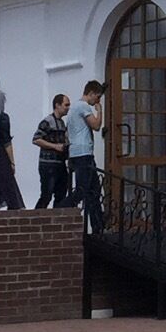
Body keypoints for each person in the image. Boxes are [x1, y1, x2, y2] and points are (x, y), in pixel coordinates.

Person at [67, 78, 106, 231]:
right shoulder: (83, 106)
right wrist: (99, 110)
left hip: (78, 152)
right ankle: (60, 209)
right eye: (97, 97)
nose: (98, 100)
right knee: (83, 190)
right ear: (91, 93)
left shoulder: (74, 107)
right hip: (83, 153)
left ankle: (98, 226)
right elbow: (96, 126)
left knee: (93, 190)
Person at [32, 94, 72, 209]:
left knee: (61, 194)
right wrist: (55, 146)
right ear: (57, 105)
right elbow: (36, 139)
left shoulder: (62, 123)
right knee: (46, 195)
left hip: (60, 164)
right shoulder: (47, 121)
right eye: (66, 105)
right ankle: (37, 216)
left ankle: (55, 217)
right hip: (48, 164)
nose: (68, 108)